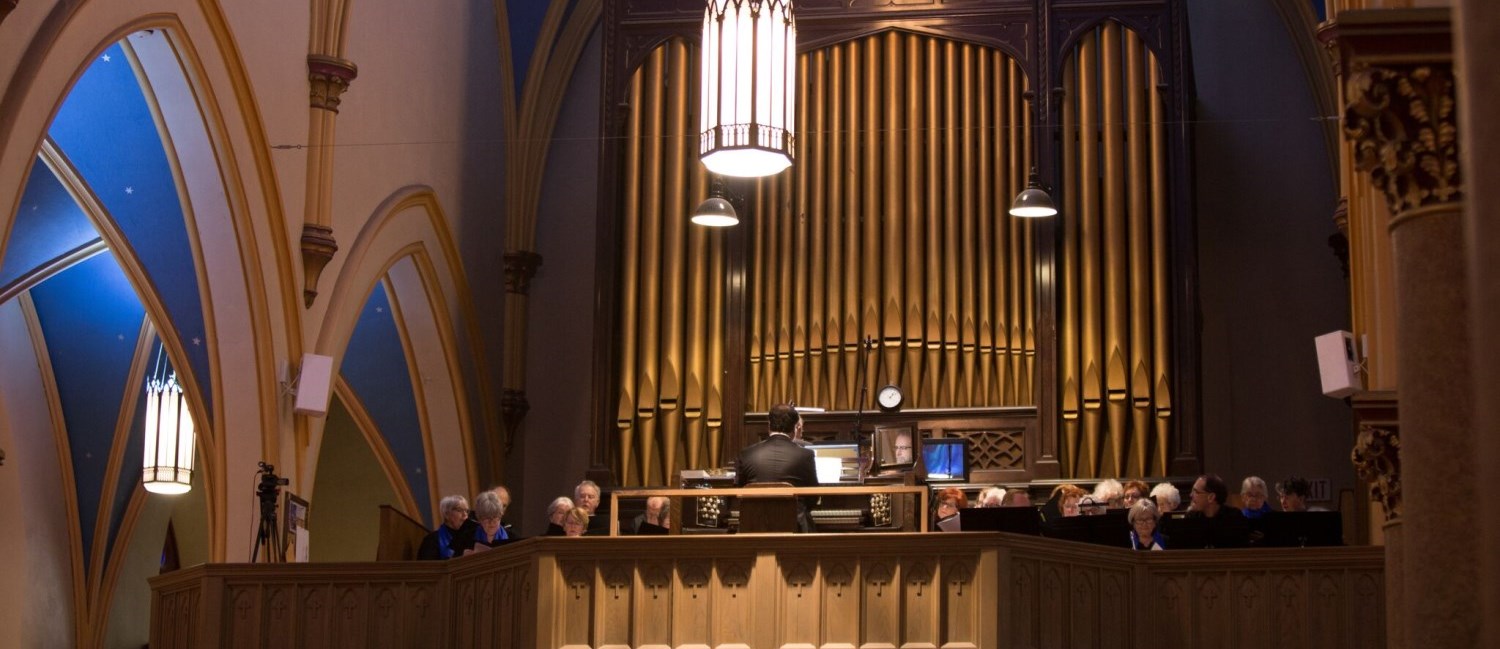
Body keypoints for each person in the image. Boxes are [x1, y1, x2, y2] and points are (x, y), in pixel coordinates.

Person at [736, 403, 819, 531]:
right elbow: (813, 497)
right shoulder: (805, 455)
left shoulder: (747, 454)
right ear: (795, 429)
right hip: (794, 529)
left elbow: (740, 493)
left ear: (769, 426)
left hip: (754, 528)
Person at [1186, 474, 1249, 548]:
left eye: (1196, 492)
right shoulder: (1191, 517)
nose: (1191, 495)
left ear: (1211, 497)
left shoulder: (1234, 517)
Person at [418, 495, 474, 560]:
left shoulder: (472, 538)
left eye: (466, 511)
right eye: (459, 510)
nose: (465, 515)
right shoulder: (432, 540)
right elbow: (427, 567)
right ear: (447, 514)